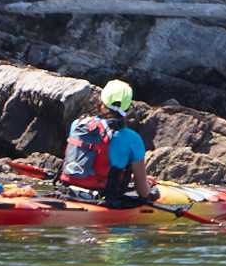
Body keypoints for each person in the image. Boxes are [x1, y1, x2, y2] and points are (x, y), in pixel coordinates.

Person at [61, 79, 158, 208]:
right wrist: (147, 184)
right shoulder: (133, 139)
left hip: (68, 190)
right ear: (128, 109)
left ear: (100, 103)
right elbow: (144, 192)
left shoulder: (77, 124)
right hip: (103, 200)